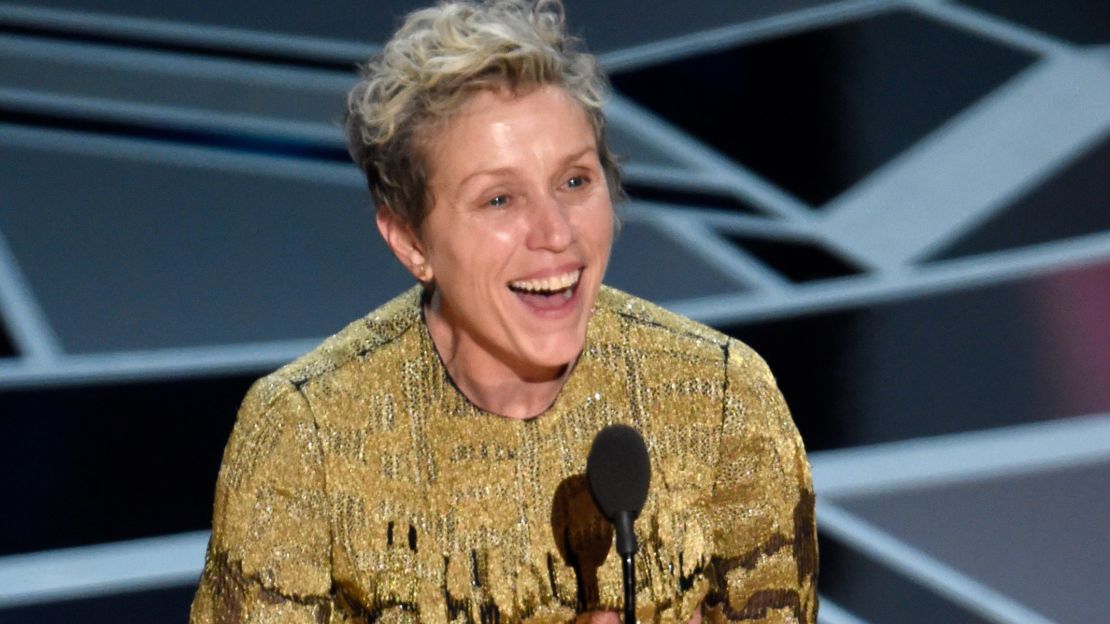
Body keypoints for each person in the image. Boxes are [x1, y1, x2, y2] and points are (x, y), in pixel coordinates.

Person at [189, 1, 817, 622]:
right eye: (498, 199)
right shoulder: (308, 436)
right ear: (410, 240)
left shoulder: (721, 398)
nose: (555, 233)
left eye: (575, 181)